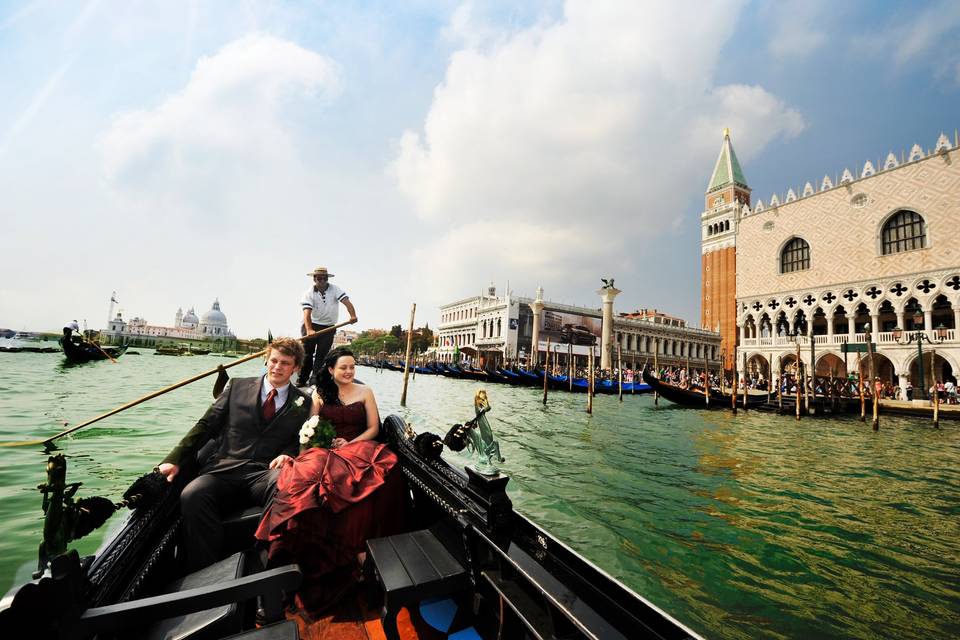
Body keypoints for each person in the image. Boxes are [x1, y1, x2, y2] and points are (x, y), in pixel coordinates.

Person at [256, 347, 404, 611]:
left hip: (359, 447)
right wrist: (305, 455)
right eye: (344, 367)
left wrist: (349, 443)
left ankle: (362, 552)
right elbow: (310, 431)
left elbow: (374, 429)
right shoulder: (319, 394)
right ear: (330, 369)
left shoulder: (366, 392)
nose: (349, 372)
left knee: (380, 473)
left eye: (352, 367)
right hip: (325, 451)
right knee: (308, 481)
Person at [157, 337, 313, 571]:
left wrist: (287, 454)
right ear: (266, 360)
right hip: (224, 468)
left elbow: (296, 439)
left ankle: (262, 565)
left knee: (287, 485)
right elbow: (206, 425)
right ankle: (204, 571)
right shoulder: (237, 386)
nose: (277, 367)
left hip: (263, 472)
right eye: (273, 361)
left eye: (285, 363)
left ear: (296, 367)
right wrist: (174, 459)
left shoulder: (303, 401)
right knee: (192, 494)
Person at [298, 266, 358, 387]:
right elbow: (307, 313)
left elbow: (347, 302)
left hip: (328, 327)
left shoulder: (335, 289)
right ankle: (302, 379)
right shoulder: (309, 293)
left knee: (322, 354)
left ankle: (315, 380)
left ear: (327, 279)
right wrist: (309, 330)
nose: (322, 280)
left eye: (324, 278)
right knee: (307, 354)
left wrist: (353, 315)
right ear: (314, 279)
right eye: (319, 278)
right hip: (311, 324)